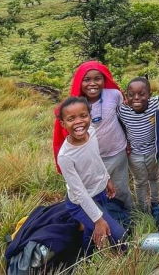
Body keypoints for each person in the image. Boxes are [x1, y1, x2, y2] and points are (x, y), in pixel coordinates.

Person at [52, 61, 132, 209]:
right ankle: (105, 218)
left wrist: (128, 142)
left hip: (117, 151)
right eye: (87, 79)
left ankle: (128, 215)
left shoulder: (114, 95)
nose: (92, 83)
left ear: (104, 79)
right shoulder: (74, 107)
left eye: (97, 78)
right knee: (97, 192)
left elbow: (124, 118)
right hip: (92, 159)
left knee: (121, 188)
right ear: (79, 81)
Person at [56, 97, 126, 254]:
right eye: (71, 118)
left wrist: (106, 178)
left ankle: (86, 256)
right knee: (118, 235)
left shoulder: (92, 132)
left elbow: (96, 159)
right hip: (79, 203)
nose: (79, 122)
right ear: (63, 124)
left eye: (83, 115)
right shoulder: (65, 156)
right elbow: (79, 192)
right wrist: (99, 219)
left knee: (91, 231)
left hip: (99, 193)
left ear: (90, 115)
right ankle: (119, 257)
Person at [117, 77, 159, 215]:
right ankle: (142, 207)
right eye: (131, 95)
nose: (136, 98)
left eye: (142, 94)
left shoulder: (157, 103)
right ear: (126, 96)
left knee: (154, 177)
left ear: (149, 95)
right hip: (134, 154)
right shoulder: (122, 110)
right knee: (140, 181)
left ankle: (155, 204)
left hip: (153, 152)